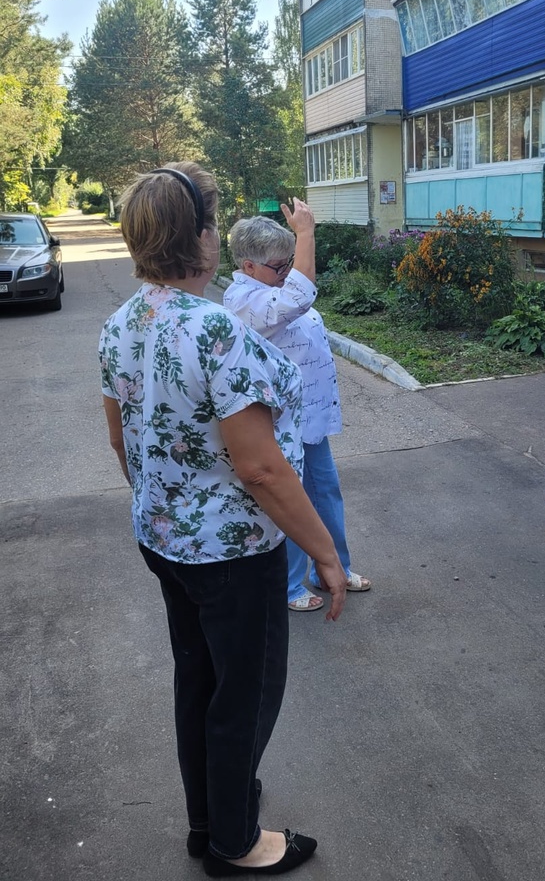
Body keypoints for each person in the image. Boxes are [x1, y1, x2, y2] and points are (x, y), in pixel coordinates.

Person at [99, 162, 346, 877]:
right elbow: (261, 468)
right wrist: (325, 553)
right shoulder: (214, 330)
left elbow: (121, 441)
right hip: (234, 554)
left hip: (164, 540)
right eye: (211, 221)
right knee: (244, 694)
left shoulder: (121, 323)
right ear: (202, 238)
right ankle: (234, 842)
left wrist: (169, 507)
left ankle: (207, 820)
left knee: (199, 681)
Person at [223, 202, 371, 612]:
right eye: (279, 265)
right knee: (289, 503)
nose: (288, 271)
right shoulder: (243, 300)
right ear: (248, 266)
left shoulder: (273, 289)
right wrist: (306, 235)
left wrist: (297, 248)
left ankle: (333, 567)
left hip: (310, 419)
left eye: (289, 261)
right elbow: (299, 299)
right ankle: (289, 585)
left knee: (325, 494)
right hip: (278, 425)